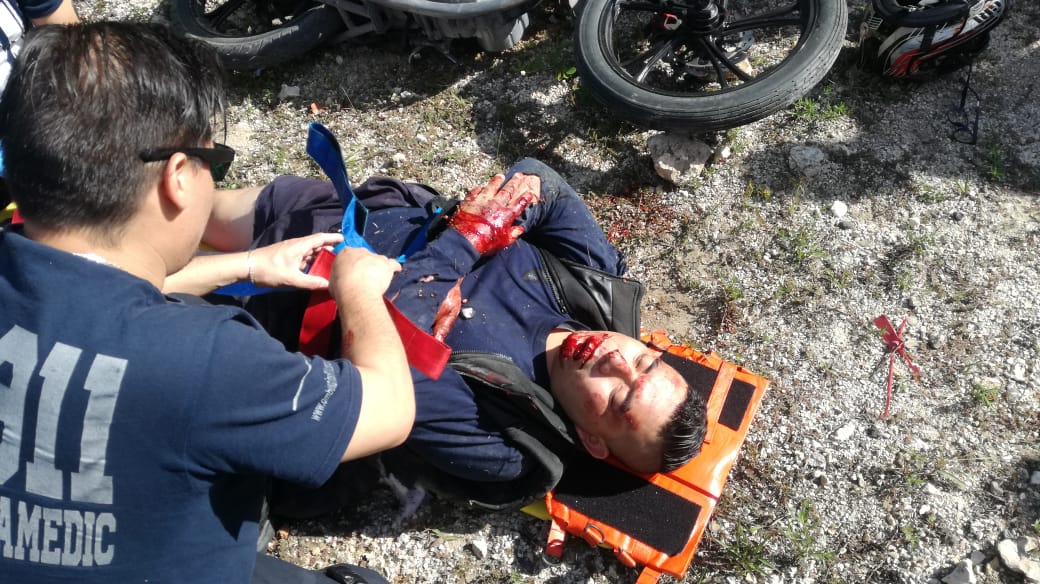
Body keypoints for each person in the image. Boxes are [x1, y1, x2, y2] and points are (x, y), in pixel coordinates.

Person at [0, 21, 412, 584]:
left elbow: (98, 290)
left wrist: (247, 265)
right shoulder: (208, 359)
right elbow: (389, 408)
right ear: (177, 177)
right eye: (212, 162)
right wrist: (358, 291)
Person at [178, 157, 710, 510]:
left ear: (592, 440)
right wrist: (432, 282)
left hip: (269, 314)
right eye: (644, 362)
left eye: (618, 399)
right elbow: (536, 180)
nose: (614, 360)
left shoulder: (504, 445)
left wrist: (468, 241)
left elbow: (388, 345)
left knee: (140, 280)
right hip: (342, 220)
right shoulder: (597, 284)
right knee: (174, 202)